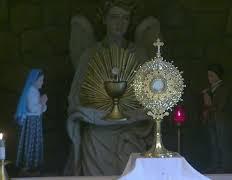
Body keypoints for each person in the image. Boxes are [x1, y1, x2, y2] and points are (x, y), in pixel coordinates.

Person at [65, 0, 156, 175]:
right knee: (91, 138)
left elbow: (152, 96)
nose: (120, 23)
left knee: (133, 147)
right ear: (104, 19)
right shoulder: (90, 54)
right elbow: (76, 97)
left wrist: (136, 114)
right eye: (114, 17)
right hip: (98, 127)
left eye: (125, 18)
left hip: (132, 127)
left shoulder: (139, 54)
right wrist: (92, 113)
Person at [15, 69, 48, 175]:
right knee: (30, 142)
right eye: (40, 80)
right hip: (31, 122)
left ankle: (32, 167)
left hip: (35, 121)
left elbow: (40, 110)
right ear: (34, 80)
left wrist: (42, 104)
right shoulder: (31, 91)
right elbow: (34, 109)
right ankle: (26, 166)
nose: (42, 83)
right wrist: (42, 102)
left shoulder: (35, 91)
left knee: (34, 142)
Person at [201, 64, 232, 172]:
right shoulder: (209, 89)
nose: (209, 78)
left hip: (220, 120)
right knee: (213, 143)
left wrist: (209, 103)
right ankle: (215, 164)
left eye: (212, 75)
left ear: (217, 76)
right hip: (211, 119)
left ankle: (225, 166)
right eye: (208, 76)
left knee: (222, 142)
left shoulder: (223, 88)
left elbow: (220, 105)